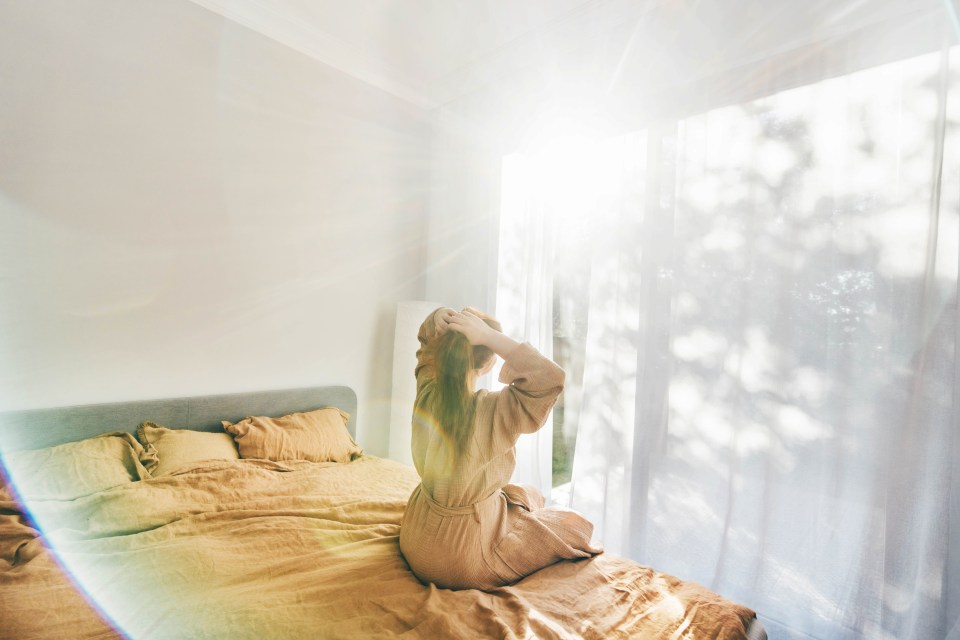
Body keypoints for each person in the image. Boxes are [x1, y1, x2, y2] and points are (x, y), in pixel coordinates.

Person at [398, 306, 602, 590]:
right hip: (460, 557)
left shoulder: (428, 389)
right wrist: (492, 337)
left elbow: (426, 345)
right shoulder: (493, 411)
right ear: (488, 363)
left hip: (416, 535)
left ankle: (514, 513)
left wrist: (438, 317)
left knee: (526, 494)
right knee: (574, 525)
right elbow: (551, 379)